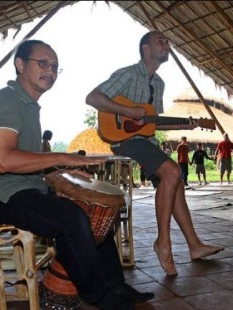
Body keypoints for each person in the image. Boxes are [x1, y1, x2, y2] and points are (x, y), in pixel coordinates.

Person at [0, 39, 153, 310]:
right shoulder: (4, 101)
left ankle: (115, 285)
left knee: (93, 210)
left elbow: (25, 160)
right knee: (70, 218)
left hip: (20, 188)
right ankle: (98, 294)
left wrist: (60, 171)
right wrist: (60, 157)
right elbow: (4, 160)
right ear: (20, 64)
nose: (50, 71)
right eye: (42, 63)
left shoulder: (28, 105)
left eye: (55, 67)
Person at [85, 30, 224, 276]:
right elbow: (93, 97)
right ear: (145, 49)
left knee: (175, 182)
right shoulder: (127, 74)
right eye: (161, 41)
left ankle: (194, 246)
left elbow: (151, 122)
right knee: (172, 171)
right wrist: (126, 110)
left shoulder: (158, 84)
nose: (166, 45)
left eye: (168, 42)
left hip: (145, 140)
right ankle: (163, 242)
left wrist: (184, 125)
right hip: (124, 140)